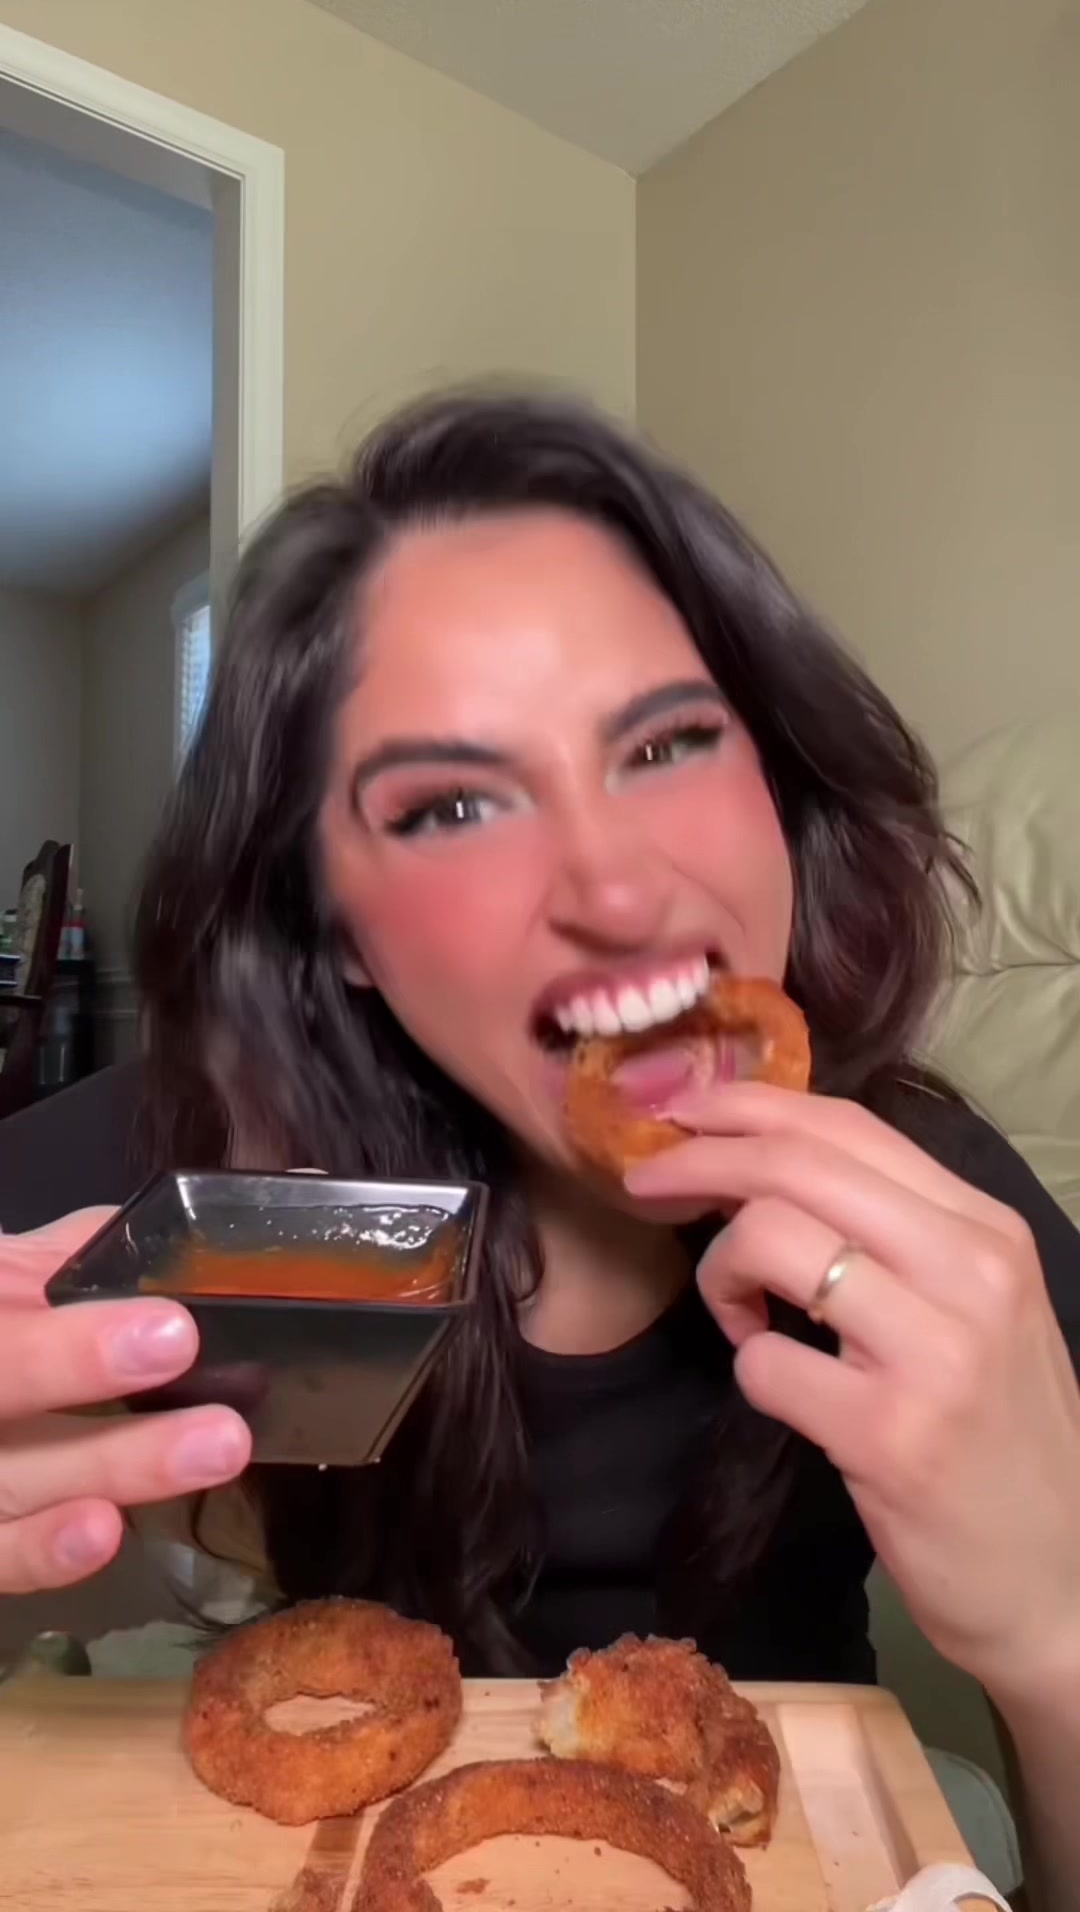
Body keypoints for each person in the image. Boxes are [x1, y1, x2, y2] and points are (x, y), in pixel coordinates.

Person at [1, 395, 1078, 1904]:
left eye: (667, 741)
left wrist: (1057, 1636)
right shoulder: (233, 1177)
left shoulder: (932, 1209)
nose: (619, 893)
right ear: (340, 929)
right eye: (452, 804)